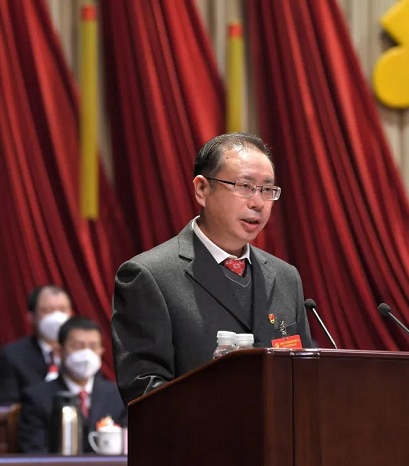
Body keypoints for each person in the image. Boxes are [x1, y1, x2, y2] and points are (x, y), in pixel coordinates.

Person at [112, 133, 314, 404]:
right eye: (245, 186)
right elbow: (145, 391)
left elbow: (304, 376)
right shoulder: (150, 275)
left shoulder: (286, 277)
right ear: (202, 189)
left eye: (267, 190)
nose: (257, 203)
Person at [18, 316, 126, 453]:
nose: (86, 354)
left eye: (93, 347)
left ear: (101, 352)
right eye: (78, 346)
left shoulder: (118, 395)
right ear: (59, 351)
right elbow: (34, 451)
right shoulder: (37, 397)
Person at [0, 285, 73, 404]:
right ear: (31, 317)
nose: (56, 317)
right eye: (47, 310)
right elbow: (6, 406)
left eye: (62, 310)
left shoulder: (82, 351)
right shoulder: (13, 356)